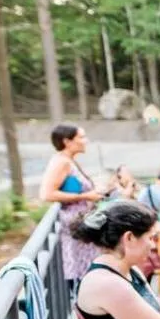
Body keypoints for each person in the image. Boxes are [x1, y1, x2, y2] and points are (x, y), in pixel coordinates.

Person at [40, 123, 109, 287]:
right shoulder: (61, 162)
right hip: (75, 229)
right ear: (67, 141)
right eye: (82, 137)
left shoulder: (68, 161)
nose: (86, 141)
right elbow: (47, 194)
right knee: (83, 277)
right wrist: (86, 196)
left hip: (82, 228)